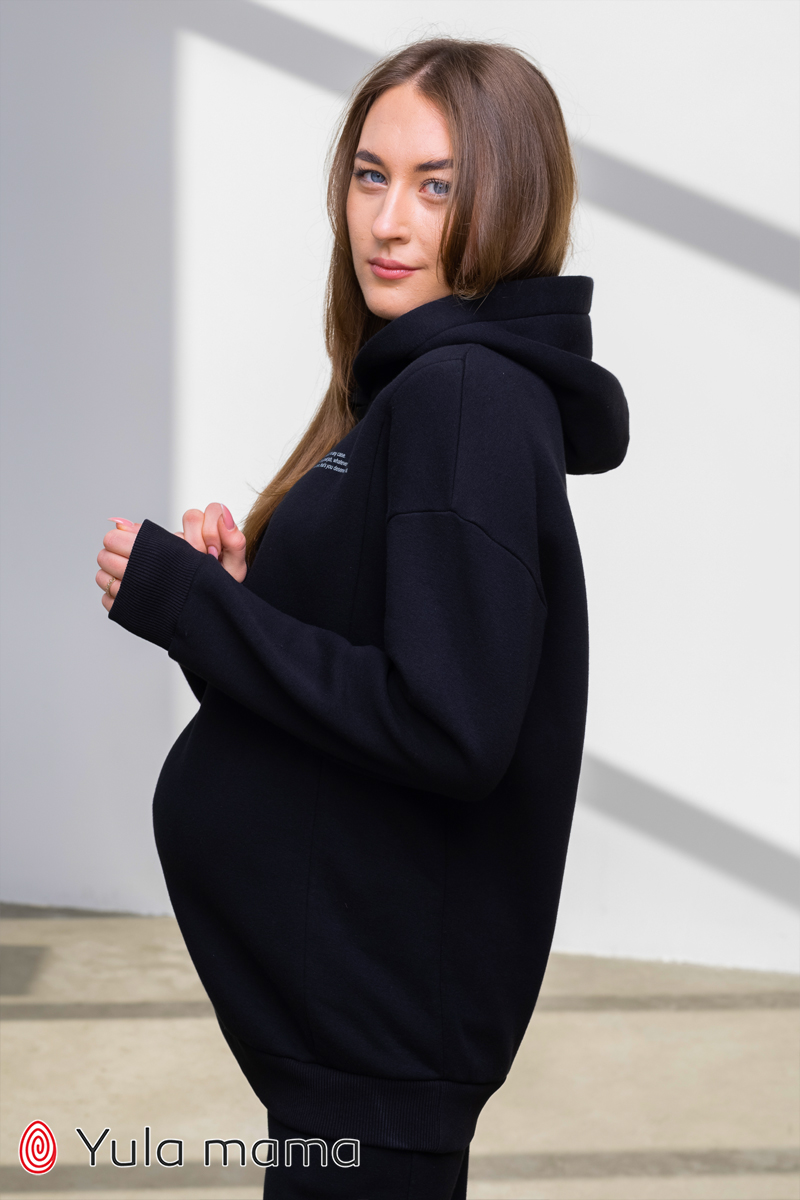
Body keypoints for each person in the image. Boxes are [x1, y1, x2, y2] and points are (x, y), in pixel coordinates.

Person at [97, 37, 628, 1200]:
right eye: (369, 176)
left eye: (436, 186)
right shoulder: (413, 391)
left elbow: (447, 727)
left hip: (373, 1055)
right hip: (348, 1053)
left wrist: (194, 610)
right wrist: (234, 612)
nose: (388, 222)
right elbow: (359, 714)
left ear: (510, 199)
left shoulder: (460, 398)